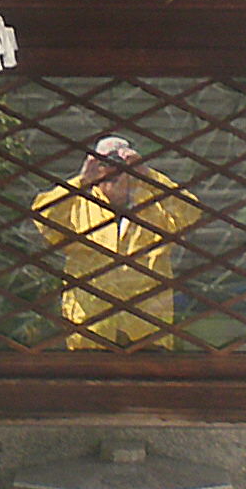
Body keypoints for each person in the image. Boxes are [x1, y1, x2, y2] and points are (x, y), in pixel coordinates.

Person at [31, 135, 200, 349]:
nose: (111, 171)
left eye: (119, 164)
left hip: (147, 331)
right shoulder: (77, 206)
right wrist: (81, 180)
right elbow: (42, 216)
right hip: (90, 333)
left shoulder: (154, 208)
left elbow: (192, 211)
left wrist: (148, 175)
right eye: (104, 164)